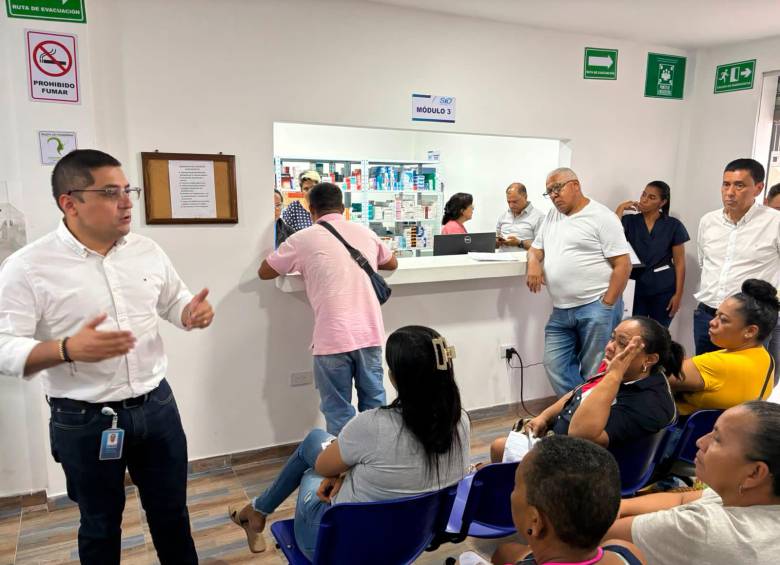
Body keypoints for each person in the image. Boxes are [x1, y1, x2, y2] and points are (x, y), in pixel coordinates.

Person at [0, 149, 215, 565]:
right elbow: (4, 344)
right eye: (111, 192)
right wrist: (64, 349)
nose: (127, 201)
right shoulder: (28, 267)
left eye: (127, 189)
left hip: (157, 407)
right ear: (70, 202)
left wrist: (190, 313)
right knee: (99, 525)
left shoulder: (146, 250)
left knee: (172, 515)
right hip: (83, 419)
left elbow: (174, 301)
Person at [228, 326, 471, 559]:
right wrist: (342, 474)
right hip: (412, 541)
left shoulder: (373, 425)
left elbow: (323, 466)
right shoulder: (461, 422)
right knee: (322, 443)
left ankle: (258, 512)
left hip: (336, 546)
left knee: (314, 462)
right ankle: (257, 512)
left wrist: (337, 474)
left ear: (395, 378)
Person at [259, 182, 397, 434]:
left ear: (311, 210)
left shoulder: (301, 239)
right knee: (375, 405)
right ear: (343, 209)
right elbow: (392, 263)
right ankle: (376, 463)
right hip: (369, 333)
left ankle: (343, 468)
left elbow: (265, 271)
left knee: (338, 410)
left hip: (331, 338)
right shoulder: (364, 232)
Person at [605, 401, 780, 565]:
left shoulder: (708, 529)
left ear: (755, 473)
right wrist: (621, 505)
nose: (700, 441)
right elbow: (681, 499)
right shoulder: (751, 494)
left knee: (615, 549)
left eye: (717, 439)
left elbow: (592, 533)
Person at [490, 317, 679, 462]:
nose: (610, 347)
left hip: (591, 468)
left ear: (649, 359)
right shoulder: (622, 370)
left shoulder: (649, 402)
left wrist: (612, 376)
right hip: (564, 443)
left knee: (499, 449)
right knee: (496, 456)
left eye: (622, 343)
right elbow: (578, 393)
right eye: (612, 338)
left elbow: (580, 436)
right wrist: (544, 417)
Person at [527, 167, 632, 397]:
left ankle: (591, 422)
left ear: (575, 185)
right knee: (554, 364)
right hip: (561, 309)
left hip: (595, 306)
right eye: (549, 192)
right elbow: (535, 250)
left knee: (595, 370)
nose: (554, 195)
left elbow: (623, 265)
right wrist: (533, 263)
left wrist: (606, 305)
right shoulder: (552, 217)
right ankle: (579, 411)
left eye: (557, 188)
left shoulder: (602, 217)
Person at [491, 435, 645, 565]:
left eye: (516, 486)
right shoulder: (626, 552)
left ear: (535, 521)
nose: (512, 493)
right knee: (504, 550)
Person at [693, 158, 780, 354]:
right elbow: (704, 262)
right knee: (704, 379)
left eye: (739, 185)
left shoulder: (774, 223)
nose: (730, 192)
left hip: (750, 321)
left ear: (758, 188)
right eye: (726, 184)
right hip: (708, 314)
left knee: (745, 381)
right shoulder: (708, 221)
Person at [672, 279, 777, 415]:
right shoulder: (767, 359)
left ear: (750, 331)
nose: (712, 322)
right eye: (716, 315)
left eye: (723, 319)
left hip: (683, 431)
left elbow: (653, 374)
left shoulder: (715, 364)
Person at [615, 181, 689, 327]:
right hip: (635, 289)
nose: (644, 200)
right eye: (643, 194)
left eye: (652, 197)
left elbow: (680, 263)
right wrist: (620, 209)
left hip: (663, 290)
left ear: (662, 202)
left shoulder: (673, 225)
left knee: (659, 333)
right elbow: (611, 238)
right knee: (633, 331)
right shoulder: (629, 221)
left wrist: (678, 295)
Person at [496, 182, 544, 251]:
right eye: (509, 202)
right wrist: (497, 241)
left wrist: (519, 243)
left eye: (515, 202)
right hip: (501, 259)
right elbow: (496, 242)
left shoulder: (539, 217)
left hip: (523, 260)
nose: (511, 205)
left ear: (525, 197)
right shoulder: (503, 216)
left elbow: (541, 246)